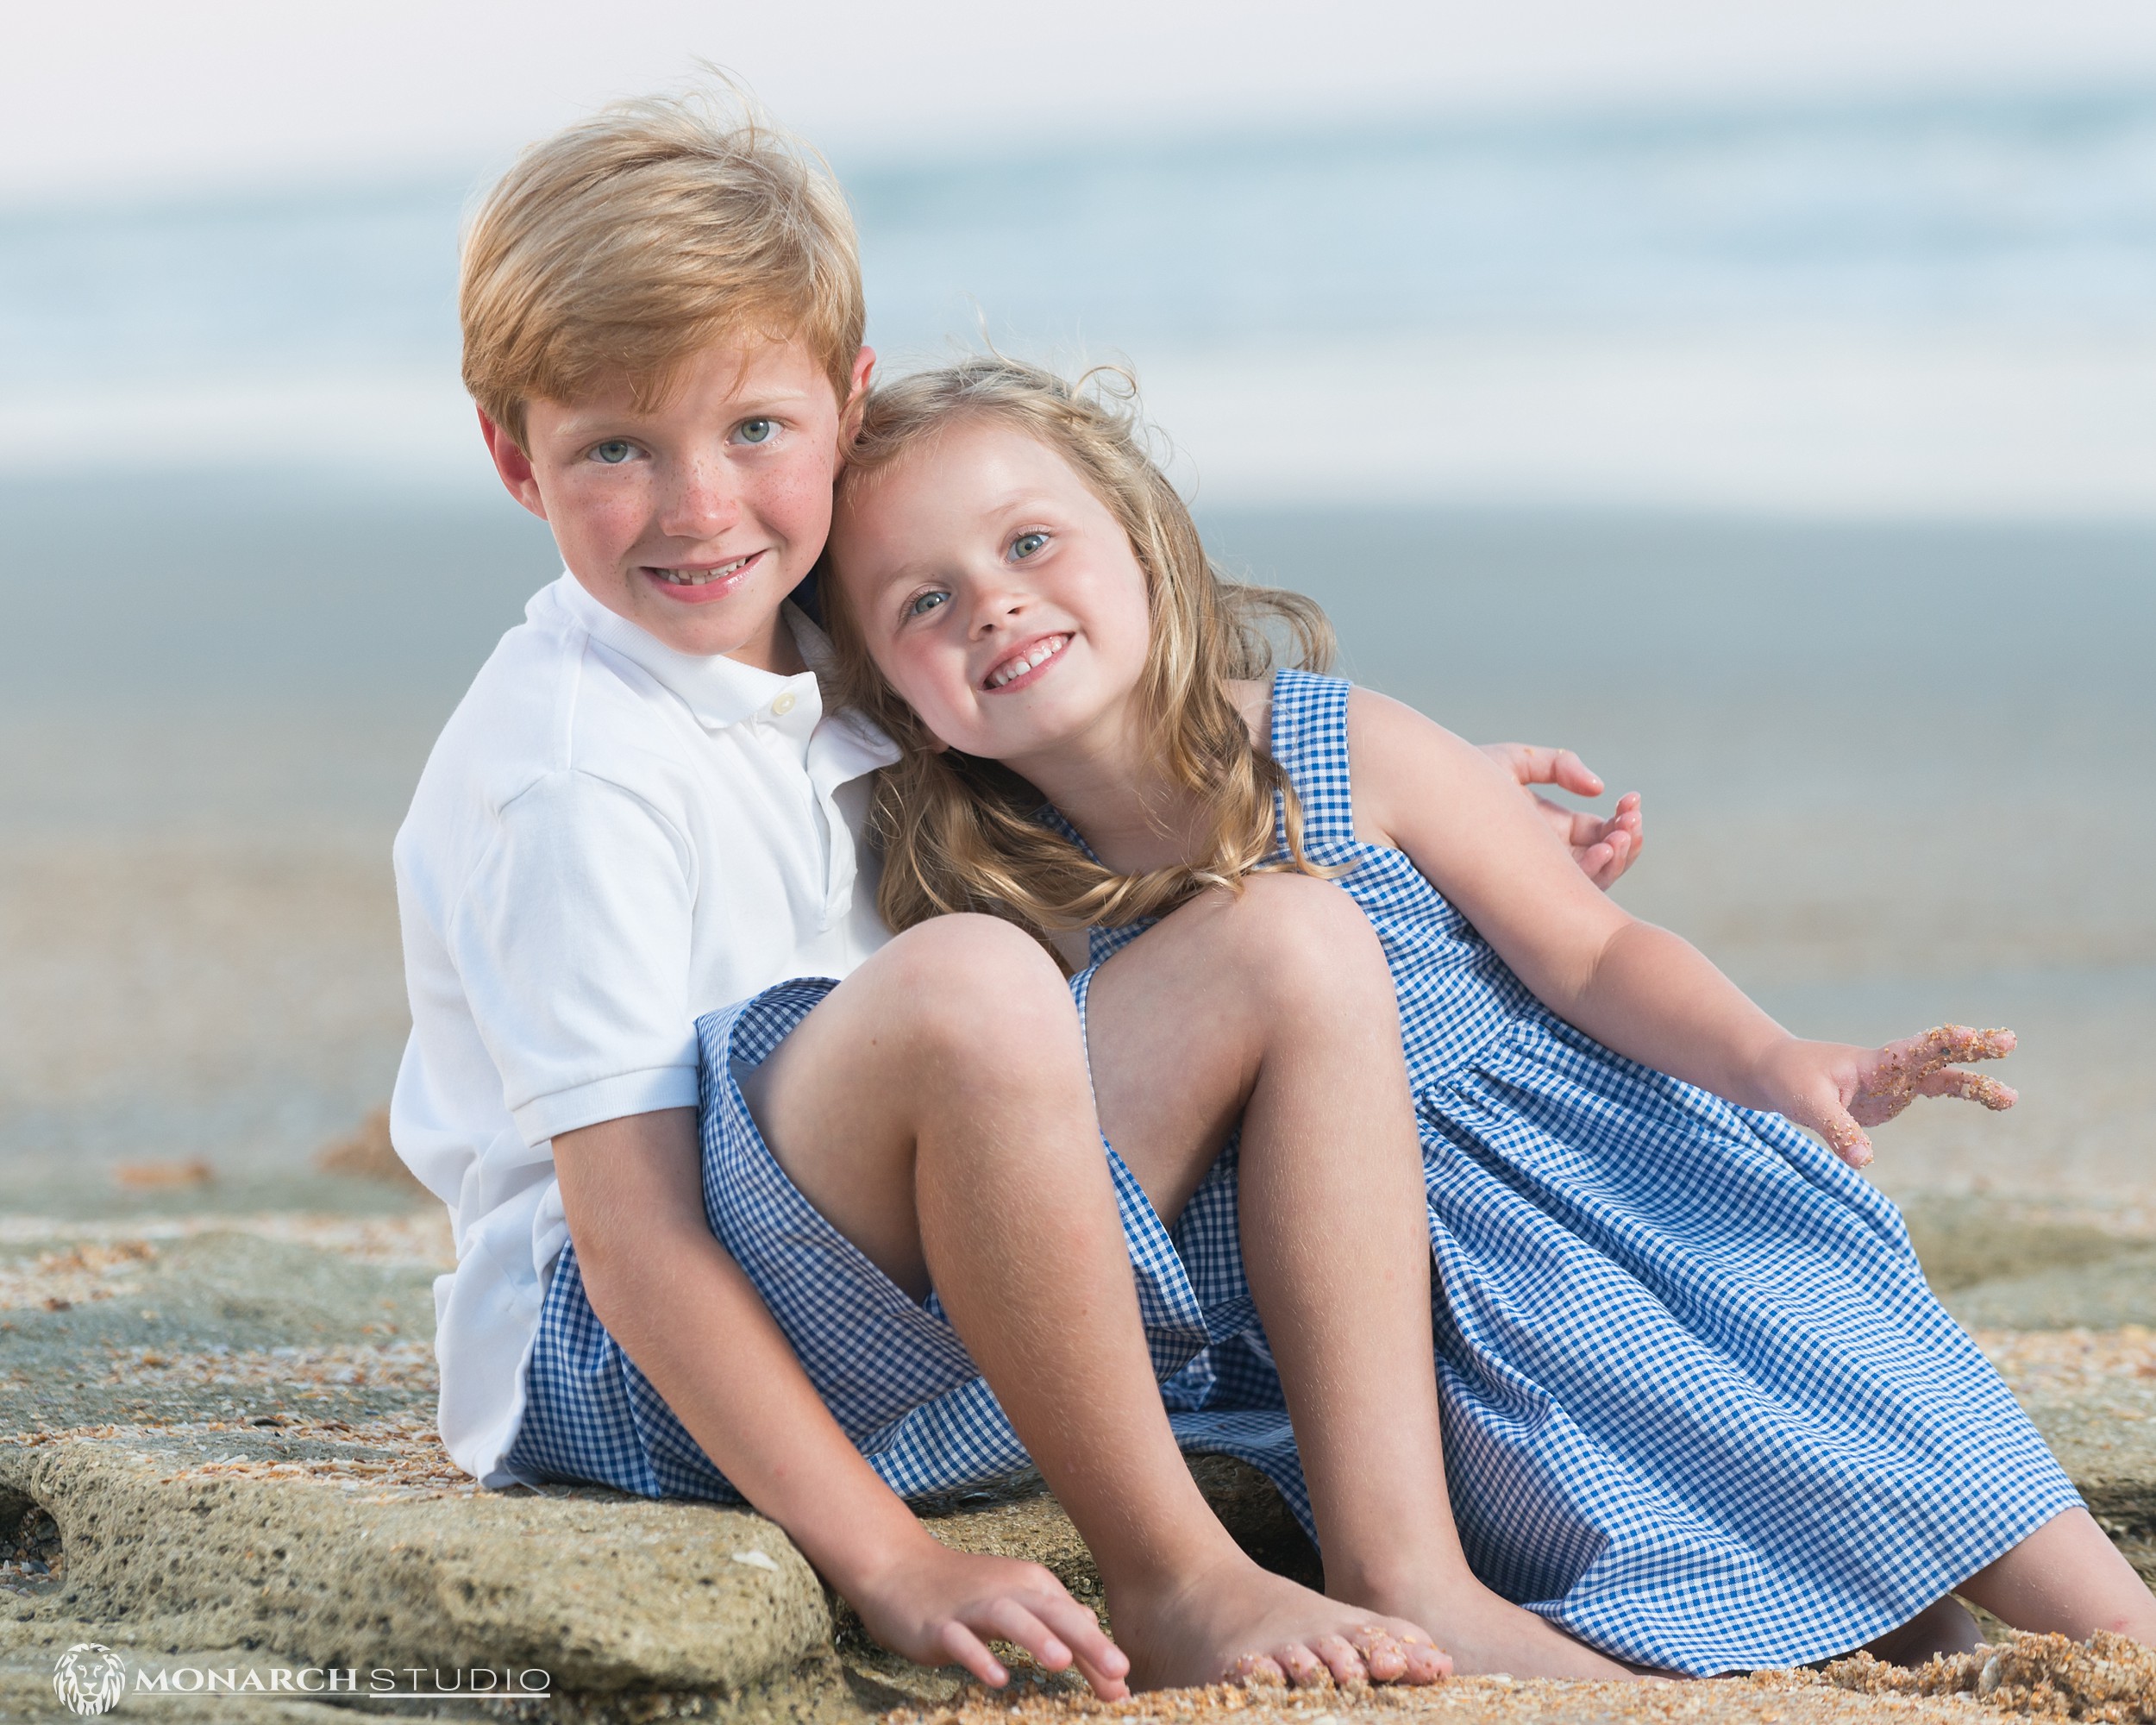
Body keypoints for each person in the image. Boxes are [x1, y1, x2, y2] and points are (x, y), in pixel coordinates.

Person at [391, 91, 1647, 1696]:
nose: (701, 508)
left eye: (754, 431)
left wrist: (1438, 793)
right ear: (516, 459)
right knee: (979, 980)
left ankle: (1408, 1561)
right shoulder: (574, 769)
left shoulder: (831, 640)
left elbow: (1098, 754)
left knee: (1293, 935)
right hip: (626, 1370)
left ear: (850, 407)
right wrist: (889, 1558)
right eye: (616, 451)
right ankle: (1176, 1575)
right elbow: (633, 1245)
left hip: (879, 1275)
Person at [817, 354, 2156, 1678]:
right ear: (902, 708)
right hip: (1422, 1299)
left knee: (1896, 1420)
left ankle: (2112, 1646)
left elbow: (1593, 954)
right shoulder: (995, 897)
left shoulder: (1348, 749)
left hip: (1617, 1186)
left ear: (1148, 554)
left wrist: (1778, 1057)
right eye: (925, 601)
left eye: (1032, 542)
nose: (993, 606)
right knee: (1701, 1518)